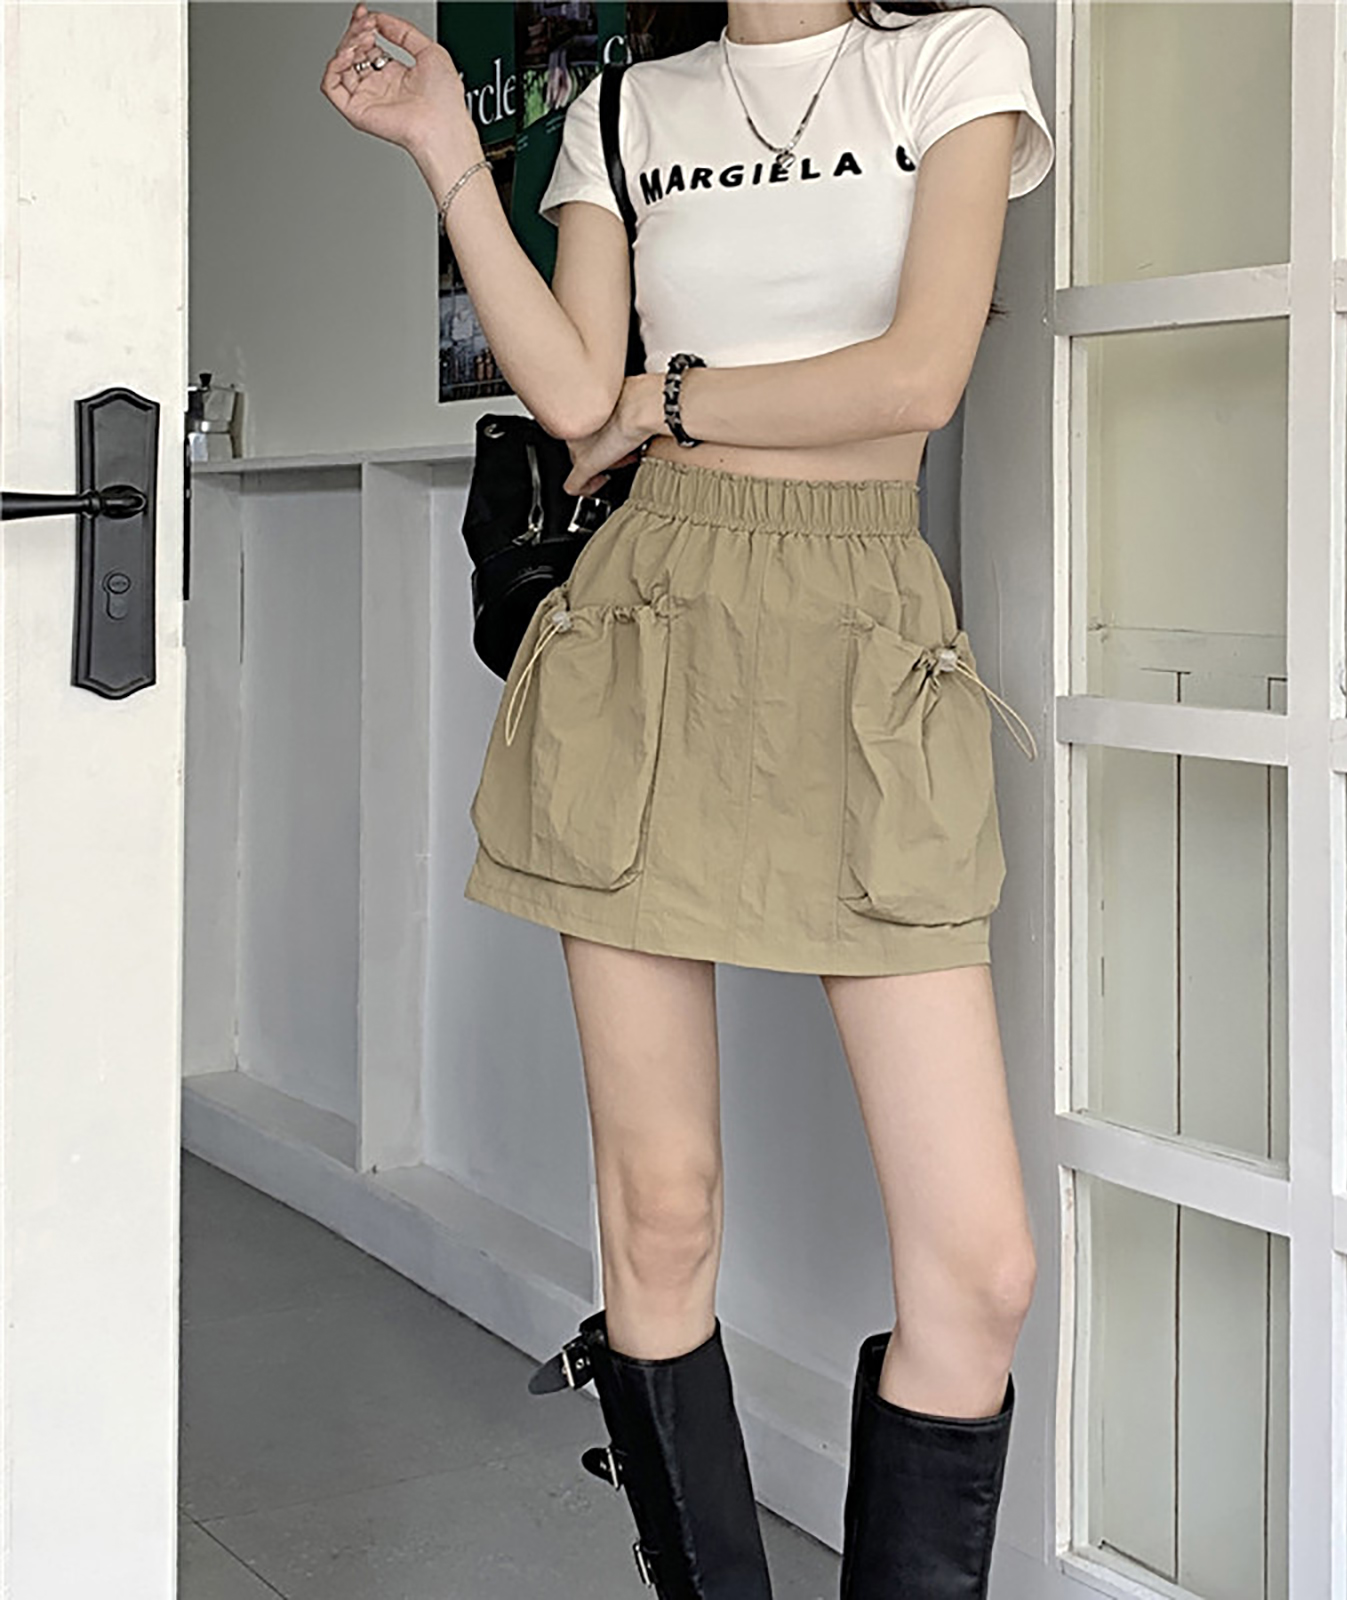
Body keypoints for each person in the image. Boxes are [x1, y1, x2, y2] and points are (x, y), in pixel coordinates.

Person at [322, 3, 1053, 1594]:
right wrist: (446, 145)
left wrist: (669, 403)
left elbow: (919, 376)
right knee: (659, 1212)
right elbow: (572, 389)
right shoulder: (625, 110)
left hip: (865, 642)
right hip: (650, 634)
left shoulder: (953, 62)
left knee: (982, 1269)